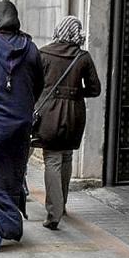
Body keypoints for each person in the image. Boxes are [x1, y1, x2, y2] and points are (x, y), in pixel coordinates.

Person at [0, 0, 44, 253]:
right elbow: (38, 84)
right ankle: (8, 221)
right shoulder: (32, 48)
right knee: (12, 174)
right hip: (21, 122)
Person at [33, 16, 101, 230]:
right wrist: (74, 92)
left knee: (51, 159)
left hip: (49, 113)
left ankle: (54, 213)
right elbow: (95, 89)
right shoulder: (83, 57)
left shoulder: (43, 53)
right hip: (74, 113)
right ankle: (61, 205)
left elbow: (34, 85)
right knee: (67, 156)